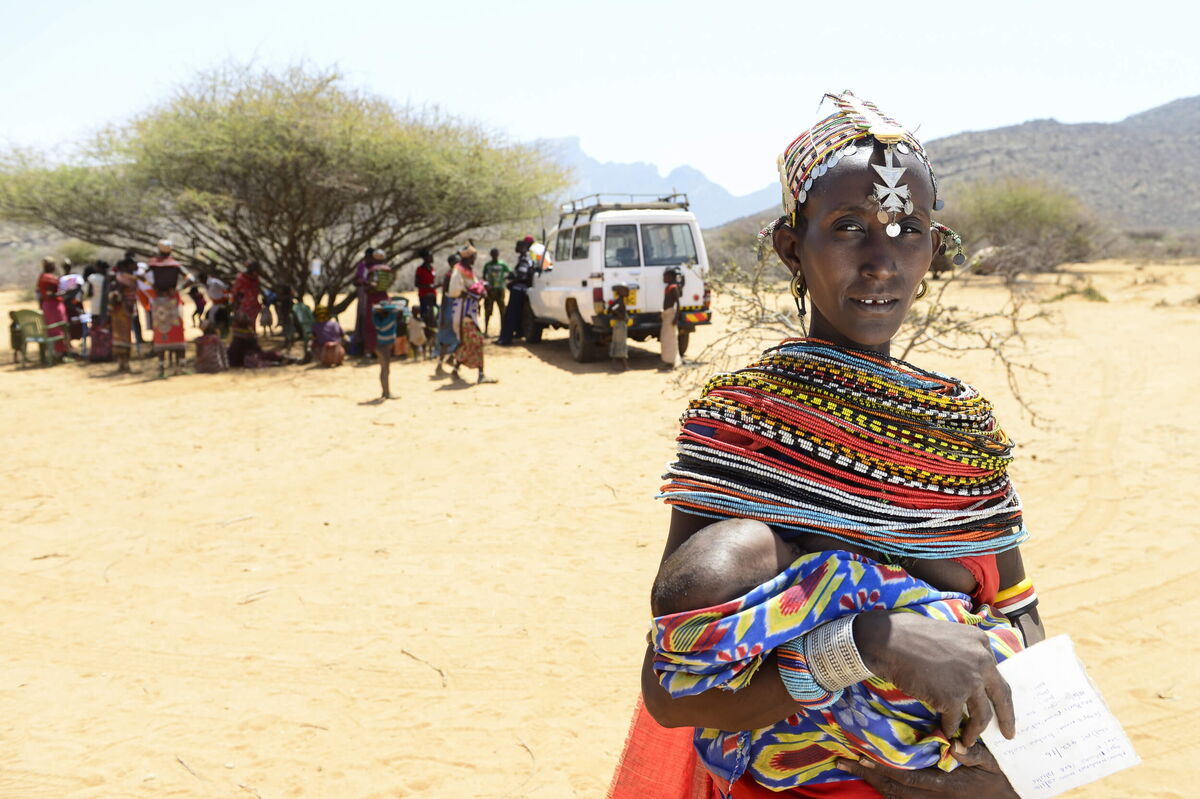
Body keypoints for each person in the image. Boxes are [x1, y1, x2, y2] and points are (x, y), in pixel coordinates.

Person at [625, 93, 1041, 799]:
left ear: (933, 248)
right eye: (849, 227)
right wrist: (867, 644)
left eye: (906, 229)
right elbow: (671, 688)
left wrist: (1010, 773)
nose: (881, 262)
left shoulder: (962, 429)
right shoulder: (743, 424)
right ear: (793, 246)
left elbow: (1021, 610)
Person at [446, 245, 496, 384]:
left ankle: (455, 368)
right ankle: (480, 374)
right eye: (473, 256)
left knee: (469, 342)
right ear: (468, 257)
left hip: (469, 310)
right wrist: (472, 293)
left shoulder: (467, 270)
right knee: (476, 341)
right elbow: (455, 290)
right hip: (464, 311)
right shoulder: (459, 270)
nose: (475, 259)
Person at [146, 239, 187, 377]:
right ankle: (180, 365)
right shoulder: (175, 265)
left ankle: (161, 366)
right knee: (177, 331)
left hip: (159, 302)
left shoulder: (153, 264)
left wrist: (153, 287)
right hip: (173, 301)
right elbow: (191, 279)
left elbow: (140, 276)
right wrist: (178, 289)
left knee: (160, 332)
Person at [497, 236, 535, 345]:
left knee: (511, 315)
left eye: (518, 246)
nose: (516, 248)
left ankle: (506, 339)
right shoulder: (523, 259)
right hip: (519, 289)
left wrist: (512, 283)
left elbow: (522, 276)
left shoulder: (525, 259)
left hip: (519, 290)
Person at [227, 310, 293, 368]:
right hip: (246, 358)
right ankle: (283, 359)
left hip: (238, 360)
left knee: (267, 355)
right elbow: (255, 348)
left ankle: (281, 360)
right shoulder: (248, 333)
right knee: (267, 355)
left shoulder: (236, 333)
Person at [36, 257, 69, 358]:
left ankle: (57, 352)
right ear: (51, 266)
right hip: (54, 306)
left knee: (52, 329)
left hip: (47, 306)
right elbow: (50, 294)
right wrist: (63, 293)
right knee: (59, 328)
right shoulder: (49, 278)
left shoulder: (42, 276)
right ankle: (61, 352)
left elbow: (40, 294)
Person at [110, 258, 139, 371]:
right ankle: (124, 363)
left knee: (120, 336)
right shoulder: (125, 278)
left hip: (121, 311)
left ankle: (122, 363)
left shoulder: (124, 278)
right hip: (123, 310)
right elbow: (118, 292)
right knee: (124, 336)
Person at [434, 253, 461, 372]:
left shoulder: (458, 275)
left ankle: (451, 358)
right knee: (446, 338)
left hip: (457, 306)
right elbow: (445, 296)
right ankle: (440, 363)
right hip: (449, 307)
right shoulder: (449, 276)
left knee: (460, 337)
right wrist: (443, 314)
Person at [371, 297, 402, 398]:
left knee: (383, 369)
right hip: (384, 348)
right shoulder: (390, 319)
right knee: (386, 370)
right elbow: (398, 311)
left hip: (379, 347)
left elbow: (374, 311)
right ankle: (386, 393)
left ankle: (385, 392)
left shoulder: (377, 320)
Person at [481, 247, 510, 335]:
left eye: (496, 255)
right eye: (493, 255)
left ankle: (503, 331)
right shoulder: (488, 265)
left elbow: (509, 272)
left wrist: (503, 279)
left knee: (502, 310)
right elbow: (483, 276)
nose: (494, 256)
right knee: (488, 310)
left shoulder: (502, 264)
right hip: (490, 290)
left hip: (500, 290)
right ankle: (486, 331)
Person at [659, 267, 682, 370]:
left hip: (671, 315)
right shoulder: (668, 287)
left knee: (670, 339)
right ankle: (668, 360)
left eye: (665, 276)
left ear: (671, 277)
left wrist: (676, 317)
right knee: (666, 338)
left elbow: (678, 303)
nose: (663, 278)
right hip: (667, 314)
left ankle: (672, 361)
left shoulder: (673, 287)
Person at [608, 283, 631, 371]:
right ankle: (625, 366)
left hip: (619, 324)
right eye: (625, 290)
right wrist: (622, 316)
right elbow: (612, 309)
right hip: (620, 325)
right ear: (620, 291)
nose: (627, 292)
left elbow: (612, 308)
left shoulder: (619, 301)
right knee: (621, 344)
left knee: (617, 343)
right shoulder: (619, 302)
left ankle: (614, 365)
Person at [414, 249, 438, 329]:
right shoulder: (420, 269)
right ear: (425, 258)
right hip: (424, 295)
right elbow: (416, 284)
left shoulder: (432, 268)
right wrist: (428, 286)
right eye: (430, 256)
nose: (432, 258)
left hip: (433, 295)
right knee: (425, 314)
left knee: (433, 313)